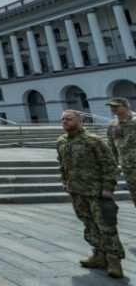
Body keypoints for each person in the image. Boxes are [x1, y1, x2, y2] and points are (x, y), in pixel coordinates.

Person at [59, 109, 124, 278]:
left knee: (106, 225)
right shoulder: (61, 141)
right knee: (89, 223)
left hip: (96, 191)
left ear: (80, 121)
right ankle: (99, 255)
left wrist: (108, 188)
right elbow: (63, 164)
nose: (65, 122)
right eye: (63, 119)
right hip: (76, 191)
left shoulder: (93, 141)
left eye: (69, 119)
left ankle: (114, 260)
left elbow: (109, 166)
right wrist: (65, 182)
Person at [105, 97, 136, 208]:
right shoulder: (112, 125)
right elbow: (112, 147)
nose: (113, 108)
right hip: (127, 167)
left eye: (116, 106)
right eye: (111, 106)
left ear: (126, 107)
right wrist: (114, 165)